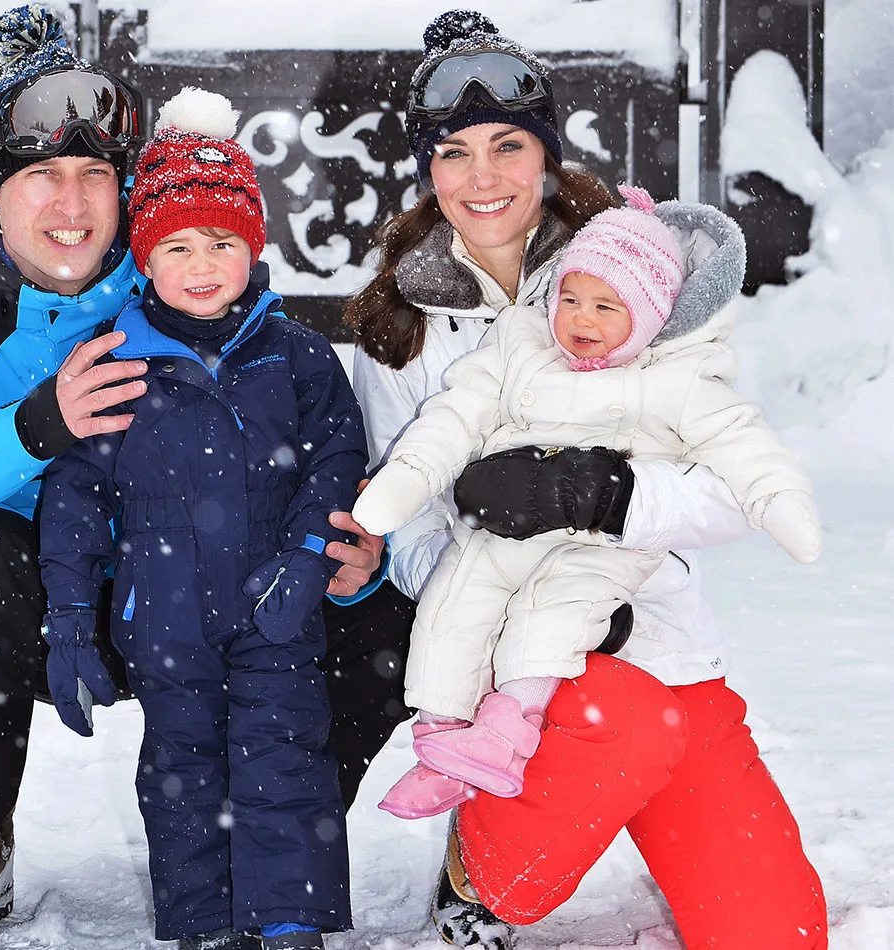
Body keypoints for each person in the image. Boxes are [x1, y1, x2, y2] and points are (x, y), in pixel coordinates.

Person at [0, 7, 386, 950]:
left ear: (131, 198)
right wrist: (30, 431)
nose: (69, 206)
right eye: (39, 176)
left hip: (234, 601)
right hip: (61, 614)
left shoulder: (193, 280)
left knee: (378, 596)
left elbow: (323, 449)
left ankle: (272, 832)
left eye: (94, 177)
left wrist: (354, 550)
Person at [343, 9, 828, 950]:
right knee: (620, 722)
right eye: (453, 154)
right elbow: (400, 524)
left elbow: (735, 483)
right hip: (515, 650)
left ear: (548, 156)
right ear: (427, 171)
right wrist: (486, 556)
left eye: (508, 147)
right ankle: (477, 875)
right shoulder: (405, 328)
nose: (482, 179)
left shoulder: (641, 277)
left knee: (775, 932)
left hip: (662, 631)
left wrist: (607, 496)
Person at [352, 183, 821, 816]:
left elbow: (743, 451)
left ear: (651, 316)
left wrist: (612, 495)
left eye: (606, 306)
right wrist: (408, 482)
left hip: (601, 555)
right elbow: (451, 416)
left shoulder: (674, 376)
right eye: (570, 299)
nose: (581, 318)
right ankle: (441, 739)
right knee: (452, 604)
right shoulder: (520, 348)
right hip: (499, 532)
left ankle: (503, 732)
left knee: (549, 619)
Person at [37, 87, 363, 950]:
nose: (202, 263)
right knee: (181, 772)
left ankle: (289, 920)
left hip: (274, 606)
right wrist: (72, 614)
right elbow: (73, 498)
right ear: (144, 260)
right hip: (165, 617)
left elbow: (336, 458)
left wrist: (306, 555)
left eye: (222, 241)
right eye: (176, 246)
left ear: (252, 245)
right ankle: (204, 927)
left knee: (283, 756)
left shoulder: (295, 355)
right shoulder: (114, 362)